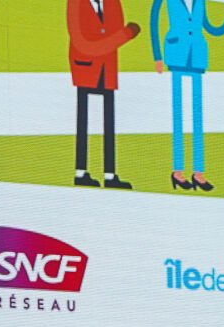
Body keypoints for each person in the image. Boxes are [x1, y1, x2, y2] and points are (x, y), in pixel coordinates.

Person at [150, 0, 224, 191]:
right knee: (179, 116)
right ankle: (178, 171)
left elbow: (213, 29)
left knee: (197, 117)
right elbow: (154, 20)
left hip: (197, 56)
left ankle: (199, 172)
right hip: (176, 53)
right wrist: (158, 56)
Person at [66, 0, 139, 189]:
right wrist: (126, 34)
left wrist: (121, 35)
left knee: (108, 121)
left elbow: (115, 28)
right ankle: (80, 172)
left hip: (107, 67)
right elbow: (82, 43)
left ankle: (110, 174)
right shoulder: (76, 3)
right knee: (84, 120)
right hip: (85, 66)